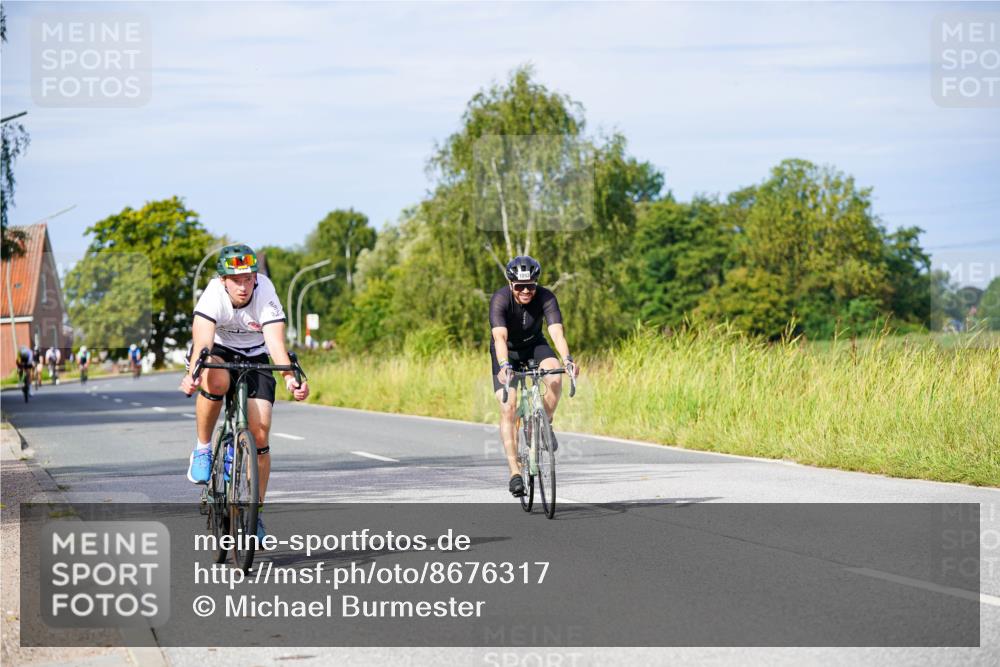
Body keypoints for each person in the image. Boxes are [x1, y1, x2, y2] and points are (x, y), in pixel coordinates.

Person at [179, 244, 309, 540]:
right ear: (223, 280)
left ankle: (255, 516)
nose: (243, 286)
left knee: (260, 433)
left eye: (248, 278)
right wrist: (192, 376)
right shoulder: (212, 294)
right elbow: (202, 343)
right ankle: (202, 450)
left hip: (256, 354)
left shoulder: (265, 292)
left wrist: (290, 378)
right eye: (235, 280)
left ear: (255, 278)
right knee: (216, 379)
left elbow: (276, 344)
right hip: (220, 351)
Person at [490, 256, 579, 497]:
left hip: (534, 345)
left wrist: (568, 360)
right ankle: (514, 473)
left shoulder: (546, 297)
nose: (526, 291)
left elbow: (556, 332)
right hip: (506, 351)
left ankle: (542, 424)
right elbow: (499, 337)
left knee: (555, 377)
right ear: (511, 285)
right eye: (520, 287)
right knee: (509, 407)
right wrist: (504, 365)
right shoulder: (500, 299)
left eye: (531, 285)